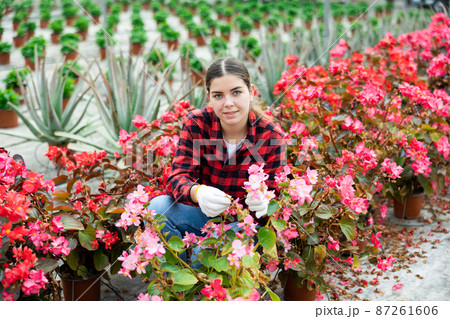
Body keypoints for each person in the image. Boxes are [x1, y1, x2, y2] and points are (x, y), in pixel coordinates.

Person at [148, 57, 286, 260]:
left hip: (244, 225)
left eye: (236, 92)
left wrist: (267, 202)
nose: (228, 103)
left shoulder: (271, 135)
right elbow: (177, 177)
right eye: (218, 95)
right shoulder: (196, 123)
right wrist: (198, 192)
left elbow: (278, 192)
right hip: (204, 215)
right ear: (209, 97)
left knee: (201, 256)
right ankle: (174, 275)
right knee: (157, 209)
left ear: (252, 92)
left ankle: (198, 269)